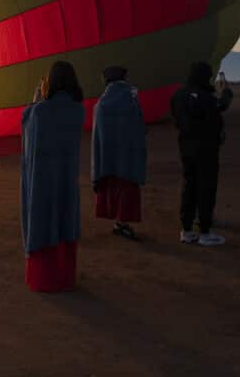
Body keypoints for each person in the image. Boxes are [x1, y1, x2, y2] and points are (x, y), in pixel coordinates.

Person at [21, 61, 85, 292]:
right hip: (67, 178)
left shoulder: (39, 112)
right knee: (65, 218)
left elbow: (27, 124)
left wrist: (37, 99)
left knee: (42, 220)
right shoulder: (79, 110)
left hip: (43, 180)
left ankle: (45, 278)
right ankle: (65, 276)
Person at [171, 62, 232, 247]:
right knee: (206, 187)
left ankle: (186, 230)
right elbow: (219, 108)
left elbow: (177, 119)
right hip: (206, 149)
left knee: (189, 185)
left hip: (186, 148)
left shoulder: (178, 96)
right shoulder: (207, 97)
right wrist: (227, 95)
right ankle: (205, 231)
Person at [91, 66, 147, 240]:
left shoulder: (101, 104)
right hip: (128, 156)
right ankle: (122, 223)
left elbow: (98, 135)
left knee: (112, 188)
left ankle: (119, 222)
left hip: (108, 158)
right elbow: (138, 126)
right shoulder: (130, 100)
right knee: (126, 190)